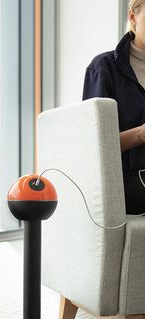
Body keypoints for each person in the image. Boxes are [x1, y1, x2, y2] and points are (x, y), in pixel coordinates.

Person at [83, 0, 145, 214]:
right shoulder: (104, 68)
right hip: (129, 184)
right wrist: (140, 134)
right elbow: (92, 146)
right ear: (133, 17)